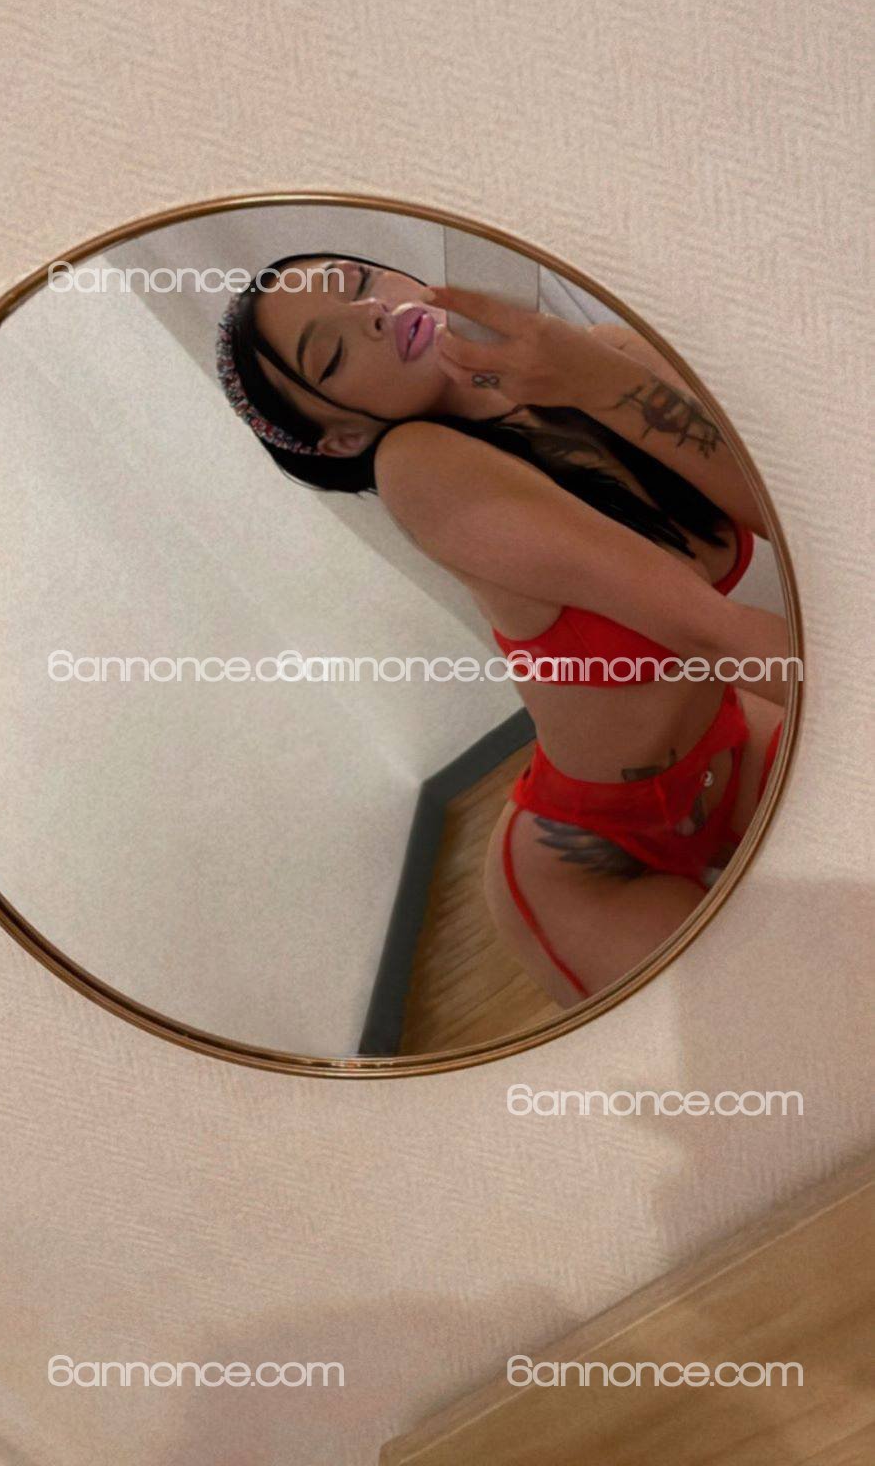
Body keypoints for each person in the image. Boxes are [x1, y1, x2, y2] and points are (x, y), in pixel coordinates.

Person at [216, 252, 789, 1004]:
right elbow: (711, 630)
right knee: (793, 1035)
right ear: (343, 437)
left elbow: (784, 514)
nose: (371, 314)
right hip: (590, 862)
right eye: (332, 354)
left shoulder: (603, 354)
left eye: (359, 282)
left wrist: (598, 380)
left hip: (731, 747)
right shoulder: (417, 468)